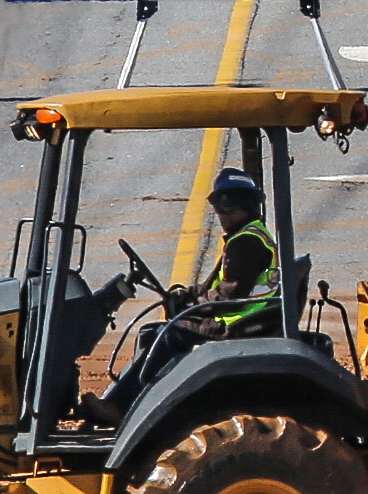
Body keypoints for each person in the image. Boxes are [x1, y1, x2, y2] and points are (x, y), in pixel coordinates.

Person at [92, 167, 283, 422]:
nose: (222, 214)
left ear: (246, 206)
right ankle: (130, 404)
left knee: (167, 335)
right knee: (152, 332)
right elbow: (214, 287)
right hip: (243, 319)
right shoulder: (247, 236)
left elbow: (228, 296)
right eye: (219, 206)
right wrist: (187, 295)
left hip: (241, 325)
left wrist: (192, 307)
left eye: (228, 207)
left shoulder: (246, 243)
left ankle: (121, 407)